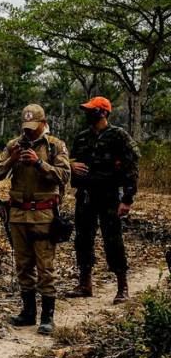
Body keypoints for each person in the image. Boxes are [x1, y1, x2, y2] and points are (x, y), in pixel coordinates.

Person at [0, 104, 71, 335]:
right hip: (17, 215)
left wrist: (39, 162)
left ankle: (47, 316)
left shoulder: (55, 146)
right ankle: (28, 312)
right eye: (26, 128)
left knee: (45, 266)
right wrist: (11, 160)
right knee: (23, 266)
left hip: (44, 216)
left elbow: (64, 175)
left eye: (33, 128)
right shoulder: (14, 145)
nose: (29, 133)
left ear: (43, 123)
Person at [67, 97, 140, 304]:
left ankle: (122, 286)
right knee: (82, 240)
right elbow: (70, 162)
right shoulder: (82, 138)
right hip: (85, 197)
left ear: (104, 113)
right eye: (87, 110)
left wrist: (127, 199)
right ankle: (85, 283)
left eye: (93, 110)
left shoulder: (119, 136)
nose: (88, 114)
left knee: (113, 241)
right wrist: (71, 166)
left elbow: (131, 168)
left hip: (109, 197)